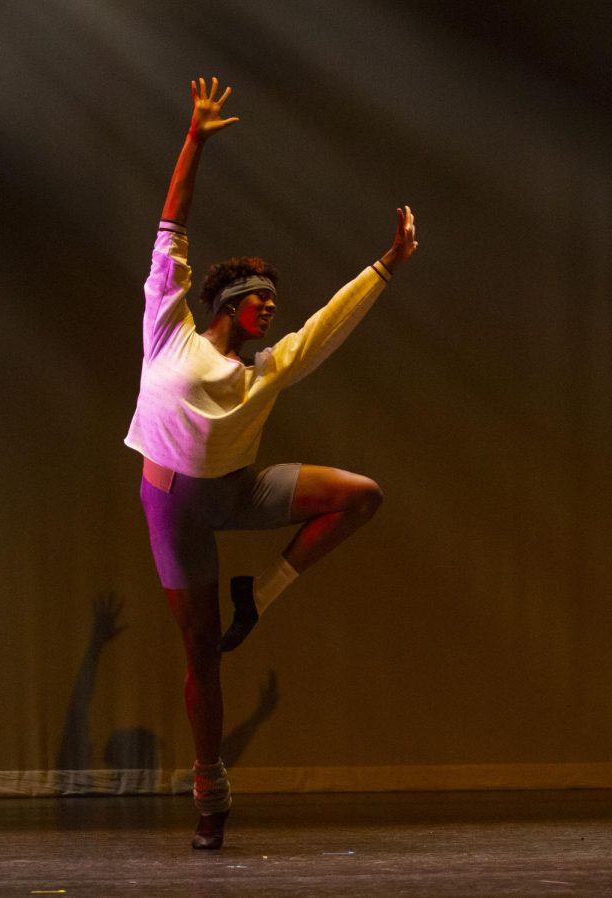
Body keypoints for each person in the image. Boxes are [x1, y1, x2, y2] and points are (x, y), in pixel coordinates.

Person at [125, 77, 418, 850]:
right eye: (264, 304)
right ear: (233, 302)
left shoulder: (269, 368)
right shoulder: (170, 328)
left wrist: (386, 264)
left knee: (361, 495)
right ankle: (210, 789)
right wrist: (194, 138)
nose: (273, 315)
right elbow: (170, 226)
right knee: (202, 654)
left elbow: (328, 326)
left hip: (233, 491)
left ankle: (265, 590)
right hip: (174, 504)